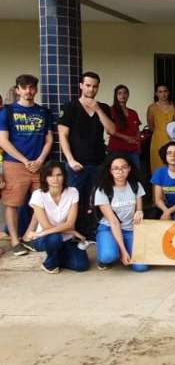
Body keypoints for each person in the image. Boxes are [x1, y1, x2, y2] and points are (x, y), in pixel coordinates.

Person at [0, 74, 54, 256]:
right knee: (12, 203)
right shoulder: (7, 111)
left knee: (41, 202)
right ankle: (15, 241)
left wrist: (39, 160)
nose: (28, 91)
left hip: (39, 165)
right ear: (17, 90)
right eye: (24, 87)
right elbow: (3, 141)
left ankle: (28, 236)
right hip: (14, 164)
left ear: (36, 90)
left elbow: (49, 139)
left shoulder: (43, 112)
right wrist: (25, 160)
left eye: (32, 87)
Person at [58, 72, 116, 239]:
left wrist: (97, 109)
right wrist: (70, 160)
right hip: (77, 163)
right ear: (81, 85)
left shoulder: (103, 107)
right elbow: (63, 136)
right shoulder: (70, 107)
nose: (91, 89)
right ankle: (74, 234)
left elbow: (112, 130)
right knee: (75, 201)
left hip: (98, 162)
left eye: (95, 86)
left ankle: (92, 233)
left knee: (96, 199)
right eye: (88, 85)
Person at [22, 161, 89, 273]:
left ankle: (56, 255)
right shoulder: (38, 195)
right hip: (45, 239)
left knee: (81, 266)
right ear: (45, 178)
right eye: (50, 175)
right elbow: (46, 226)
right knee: (54, 238)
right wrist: (71, 231)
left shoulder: (72, 192)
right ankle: (50, 264)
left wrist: (71, 231)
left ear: (64, 176)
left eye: (59, 175)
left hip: (65, 238)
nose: (55, 179)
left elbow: (70, 223)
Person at [93, 154, 148, 272]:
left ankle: (117, 247)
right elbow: (113, 222)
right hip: (109, 228)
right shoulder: (102, 190)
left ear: (129, 168)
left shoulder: (135, 185)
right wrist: (123, 251)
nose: (120, 171)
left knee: (141, 267)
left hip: (129, 229)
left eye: (124, 167)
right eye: (116, 168)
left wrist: (139, 211)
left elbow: (139, 209)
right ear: (110, 170)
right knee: (108, 256)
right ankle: (110, 248)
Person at [147, 84, 175, 174]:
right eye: (160, 92)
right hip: (158, 141)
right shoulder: (152, 108)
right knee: (158, 168)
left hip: (174, 141)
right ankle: (158, 188)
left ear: (169, 92)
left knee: (174, 167)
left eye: (165, 91)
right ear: (156, 94)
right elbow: (151, 126)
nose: (163, 94)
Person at [151, 141, 175, 220]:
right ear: (165, 156)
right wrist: (166, 211)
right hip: (166, 206)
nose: (173, 156)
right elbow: (158, 199)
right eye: (169, 153)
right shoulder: (160, 173)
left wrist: (168, 212)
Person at [107, 85, 141, 168]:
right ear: (116, 96)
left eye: (125, 93)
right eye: (119, 93)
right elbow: (109, 130)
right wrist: (127, 138)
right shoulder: (111, 111)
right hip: (117, 150)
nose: (123, 95)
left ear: (128, 95)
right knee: (119, 175)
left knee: (136, 175)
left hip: (133, 150)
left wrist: (138, 138)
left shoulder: (133, 112)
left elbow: (137, 129)